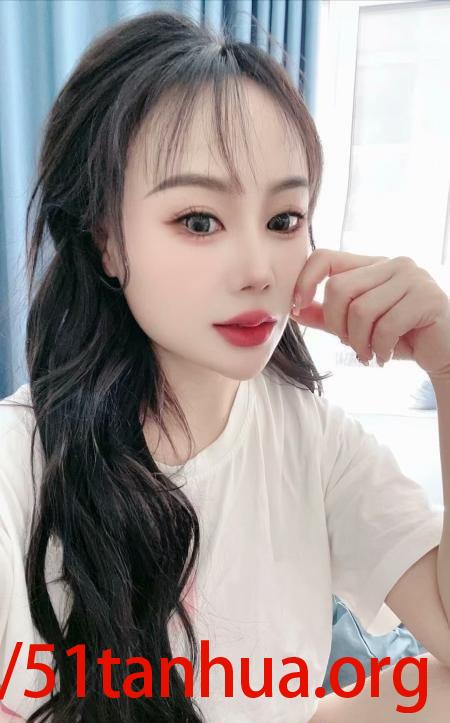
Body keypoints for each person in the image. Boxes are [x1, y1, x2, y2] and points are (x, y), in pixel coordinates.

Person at [1, 10, 449, 723]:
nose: (258, 270)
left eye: (283, 220)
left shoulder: (314, 440)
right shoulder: (16, 467)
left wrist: (447, 365)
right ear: (107, 240)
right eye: (199, 220)